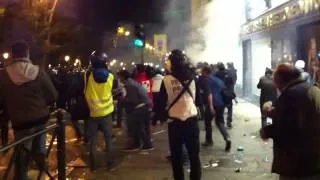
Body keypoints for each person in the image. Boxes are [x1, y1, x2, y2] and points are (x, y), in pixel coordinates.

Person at [0, 41, 58, 180]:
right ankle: (41, 170)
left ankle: (22, 175)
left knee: (22, 153)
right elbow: (53, 95)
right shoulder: (38, 71)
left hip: (20, 122)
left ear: (13, 55)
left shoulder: (3, 75)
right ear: (27, 53)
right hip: (40, 118)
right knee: (39, 147)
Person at [260, 64, 320, 180]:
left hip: (297, 163)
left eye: (275, 80)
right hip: (314, 159)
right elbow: (302, 116)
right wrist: (273, 113)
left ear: (281, 79)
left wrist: (267, 131)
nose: (274, 84)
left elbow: (288, 127)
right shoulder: (313, 90)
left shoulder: (291, 94)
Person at [154, 49, 201, 180]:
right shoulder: (193, 78)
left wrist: (159, 116)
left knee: (176, 157)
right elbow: (198, 101)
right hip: (191, 121)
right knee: (194, 156)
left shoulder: (166, 80)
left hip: (175, 123)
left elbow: (161, 103)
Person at [84, 51, 117, 171]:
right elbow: (113, 89)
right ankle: (110, 164)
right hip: (107, 112)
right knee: (108, 140)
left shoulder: (88, 75)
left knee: (92, 141)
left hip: (92, 113)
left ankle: (93, 166)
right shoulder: (111, 75)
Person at [118, 70, 154, 151]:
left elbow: (133, 100)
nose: (119, 79)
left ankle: (147, 144)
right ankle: (137, 144)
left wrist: (122, 99)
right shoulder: (131, 82)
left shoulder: (129, 84)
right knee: (138, 127)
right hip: (145, 105)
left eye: (119, 77)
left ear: (123, 77)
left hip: (142, 106)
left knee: (137, 127)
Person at [201, 66, 232, 151]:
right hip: (221, 104)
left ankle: (209, 140)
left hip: (213, 104)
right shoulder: (219, 80)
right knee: (220, 122)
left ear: (205, 72)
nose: (201, 73)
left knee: (207, 122)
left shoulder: (206, 80)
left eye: (202, 72)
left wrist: (210, 107)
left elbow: (209, 94)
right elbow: (224, 91)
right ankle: (227, 138)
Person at [216, 62, 235, 128]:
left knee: (221, 109)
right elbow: (232, 84)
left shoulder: (216, 75)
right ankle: (229, 122)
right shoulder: (228, 74)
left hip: (220, 95)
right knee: (230, 109)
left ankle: (221, 123)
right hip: (228, 95)